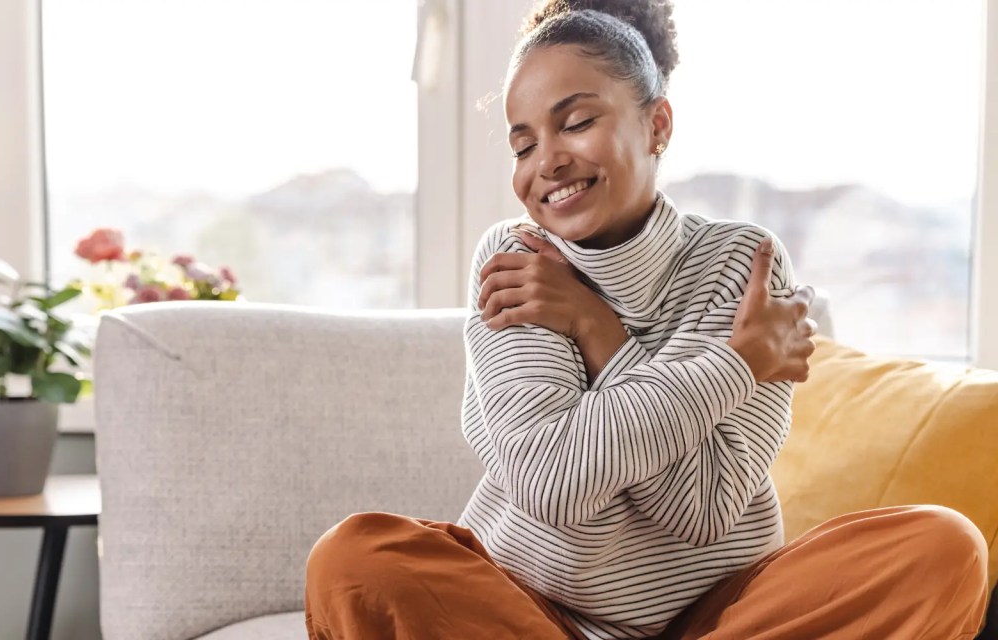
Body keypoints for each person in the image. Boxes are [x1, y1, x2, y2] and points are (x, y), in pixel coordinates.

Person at [304, 1, 990, 638]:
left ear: (657, 125)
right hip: (533, 611)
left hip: (717, 616)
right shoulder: (518, 258)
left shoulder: (740, 263)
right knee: (356, 560)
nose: (546, 161)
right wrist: (737, 364)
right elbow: (552, 485)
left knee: (941, 548)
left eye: (574, 122)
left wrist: (597, 330)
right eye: (522, 144)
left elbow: (702, 510)